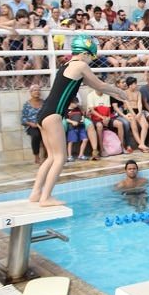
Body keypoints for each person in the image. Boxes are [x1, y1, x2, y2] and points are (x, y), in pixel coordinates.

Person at [29, 35, 127, 207]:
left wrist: (118, 95)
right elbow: (101, 86)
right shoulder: (80, 65)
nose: (90, 60)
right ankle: (46, 198)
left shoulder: (67, 65)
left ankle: (36, 193)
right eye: (90, 56)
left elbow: (97, 87)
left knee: (51, 157)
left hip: (43, 114)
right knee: (60, 157)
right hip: (53, 115)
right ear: (85, 53)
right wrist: (120, 91)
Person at [21, 84, 45, 164]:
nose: (37, 92)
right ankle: (36, 156)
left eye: (38, 90)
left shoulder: (44, 103)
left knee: (48, 136)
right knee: (36, 135)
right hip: (32, 126)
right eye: (35, 90)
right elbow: (23, 119)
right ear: (31, 92)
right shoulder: (27, 104)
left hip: (43, 125)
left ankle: (46, 156)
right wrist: (31, 123)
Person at [65, 97, 90, 161]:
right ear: (71, 103)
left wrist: (82, 119)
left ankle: (81, 155)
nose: (77, 104)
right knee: (71, 141)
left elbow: (82, 115)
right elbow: (66, 119)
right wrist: (72, 122)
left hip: (81, 126)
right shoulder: (67, 110)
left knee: (85, 139)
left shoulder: (77, 109)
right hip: (72, 128)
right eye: (75, 103)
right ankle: (69, 156)